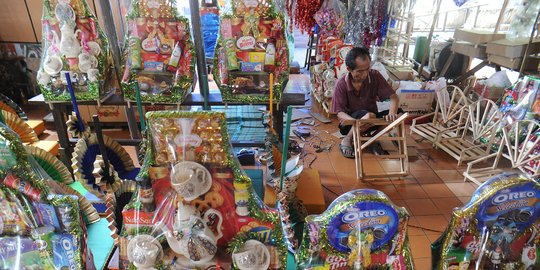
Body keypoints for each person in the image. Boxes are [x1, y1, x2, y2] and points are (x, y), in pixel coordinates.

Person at [331, 46, 402, 158]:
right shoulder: (341, 84)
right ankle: (347, 139)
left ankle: (373, 139)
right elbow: (339, 113)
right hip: (350, 124)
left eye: (367, 69)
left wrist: (392, 114)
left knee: (399, 114)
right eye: (360, 71)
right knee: (368, 115)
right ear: (349, 69)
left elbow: (394, 97)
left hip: (371, 121)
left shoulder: (375, 76)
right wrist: (357, 123)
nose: (365, 74)